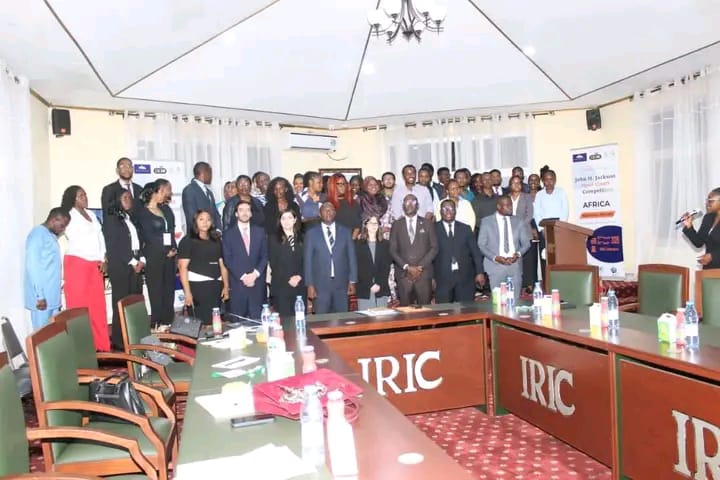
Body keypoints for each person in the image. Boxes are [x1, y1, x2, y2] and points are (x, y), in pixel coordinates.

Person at [61, 186, 110, 351]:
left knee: (98, 307)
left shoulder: (92, 215)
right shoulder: (68, 215)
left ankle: (102, 346)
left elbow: (100, 237)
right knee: (79, 308)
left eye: (85, 194)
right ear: (72, 199)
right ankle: (81, 349)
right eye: (80, 195)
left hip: (95, 264)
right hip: (77, 263)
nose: (85, 198)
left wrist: (104, 258)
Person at [103, 190, 146, 349]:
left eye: (130, 197)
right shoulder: (111, 220)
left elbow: (138, 241)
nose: (129, 200)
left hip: (135, 262)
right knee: (121, 304)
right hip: (121, 267)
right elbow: (114, 246)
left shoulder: (130, 218)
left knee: (134, 303)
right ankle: (120, 341)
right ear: (117, 201)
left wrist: (141, 259)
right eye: (125, 198)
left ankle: (135, 337)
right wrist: (132, 261)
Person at [136, 179, 177, 327]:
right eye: (166, 190)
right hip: (154, 256)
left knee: (169, 290)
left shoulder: (166, 210)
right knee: (156, 291)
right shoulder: (143, 213)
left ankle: (168, 322)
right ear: (157, 191)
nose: (168, 194)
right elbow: (149, 236)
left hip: (170, 256)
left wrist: (173, 248)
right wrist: (164, 251)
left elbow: (171, 230)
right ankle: (157, 324)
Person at [177, 210, 230, 325]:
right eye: (201, 219)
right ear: (195, 221)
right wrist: (187, 293)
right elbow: (182, 267)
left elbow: (222, 264)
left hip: (216, 285)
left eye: (208, 219)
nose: (205, 222)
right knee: (200, 323)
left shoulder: (216, 239)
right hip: (198, 287)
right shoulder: (188, 241)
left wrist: (226, 286)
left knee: (215, 322)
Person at [304, 202, 357, 314]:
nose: (328, 212)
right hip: (320, 286)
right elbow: (307, 261)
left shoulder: (346, 232)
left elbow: (352, 257)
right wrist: (310, 285)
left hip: (342, 285)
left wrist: (352, 280)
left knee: (342, 319)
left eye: (331, 209)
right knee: (321, 320)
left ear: (335, 212)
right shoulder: (311, 234)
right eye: (325, 209)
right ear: (320, 214)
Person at [477, 196, 531, 303]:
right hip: (495, 266)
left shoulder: (518, 221)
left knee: (515, 302)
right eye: (507, 205)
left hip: (514, 266)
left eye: (511, 205)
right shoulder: (487, 222)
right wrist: (495, 258)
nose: (511, 208)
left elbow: (526, 243)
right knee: (498, 303)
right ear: (499, 206)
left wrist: (518, 254)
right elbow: (481, 245)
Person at [24, 208, 70, 330]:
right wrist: (39, 296)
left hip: (52, 298)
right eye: (62, 226)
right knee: (41, 335)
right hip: (42, 300)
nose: (63, 229)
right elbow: (33, 266)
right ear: (54, 220)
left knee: (53, 335)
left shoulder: (50, 235)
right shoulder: (37, 234)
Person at [389, 194, 438, 306]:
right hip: (403, 275)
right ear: (403, 205)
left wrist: (420, 267)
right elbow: (392, 250)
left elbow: (434, 248)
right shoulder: (396, 225)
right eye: (406, 202)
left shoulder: (428, 224)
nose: (410, 204)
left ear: (418, 205)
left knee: (425, 310)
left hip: (423, 274)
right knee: (405, 311)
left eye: (413, 202)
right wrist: (407, 267)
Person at [223, 201, 268, 320]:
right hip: (238, 285)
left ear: (251, 213)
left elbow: (264, 256)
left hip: (257, 284)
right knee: (238, 323)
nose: (244, 213)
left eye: (248, 210)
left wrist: (254, 275)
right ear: (236, 213)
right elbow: (228, 259)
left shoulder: (260, 231)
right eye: (241, 210)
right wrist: (244, 277)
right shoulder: (228, 234)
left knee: (258, 322)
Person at [434, 200, 484, 303]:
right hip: (442, 278)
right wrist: (431, 278)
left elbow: (476, 253)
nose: (448, 211)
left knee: (466, 309)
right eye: (444, 208)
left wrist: (480, 272)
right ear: (440, 211)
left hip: (465, 278)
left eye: (451, 208)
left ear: (455, 211)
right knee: (444, 310)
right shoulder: (433, 229)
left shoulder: (465, 229)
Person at [268, 209, 306, 319]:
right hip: (282, 285)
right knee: (285, 321)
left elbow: (307, 261)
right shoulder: (273, 238)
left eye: (290, 218)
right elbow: (274, 263)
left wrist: (299, 276)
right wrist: (289, 278)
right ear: (279, 221)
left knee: (300, 319)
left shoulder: (303, 237)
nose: (286, 221)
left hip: (299, 284)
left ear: (295, 220)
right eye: (283, 218)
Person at [533, 169, 569, 277]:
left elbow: (565, 210)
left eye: (551, 179)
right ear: (543, 181)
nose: (549, 182)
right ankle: (546, 281)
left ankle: (560, 280)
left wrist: (559, 227)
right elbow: (536, 212)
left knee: (559, 255)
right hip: (544, 227)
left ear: (555, 180)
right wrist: (542, 229)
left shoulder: (561, 192)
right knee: (545, 256)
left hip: (558, 226)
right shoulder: (539, 194)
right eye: (546, 180)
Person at [355, 215, 392, 309]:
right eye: (371, 223)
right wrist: (370, 285)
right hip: (364, 288)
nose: (374, 225)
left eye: (376, 223)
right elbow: (358, 268)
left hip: (381, 288)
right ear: (365, 225)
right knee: (366, 317)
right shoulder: (358, 245)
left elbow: (386, 267)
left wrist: (378, 284)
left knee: (382, 317)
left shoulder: (386, 244)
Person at [508, 175, 537, 290]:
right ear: (510, 185)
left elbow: (529, 214)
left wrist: (519, 226)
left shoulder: (527, 197)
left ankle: (529, 284)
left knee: (528, 259)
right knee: (515, 259)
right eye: (514, 183)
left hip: (525, 230)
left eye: (518, 183)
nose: (516, 185)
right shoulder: (506, 198)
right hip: (511, 233)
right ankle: (517, 284)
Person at [683, 187, 720, 269]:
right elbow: (699, 242)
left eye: (710, 201)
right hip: (710, 268)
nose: (706, 203)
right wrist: (689, 226)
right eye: (707, 200)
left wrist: (713, 256)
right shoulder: (708, 218)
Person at [182, 161, 221, 230]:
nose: (211, 176)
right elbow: (191, 217)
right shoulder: (189, 190)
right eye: (210, 173)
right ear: (203, 173)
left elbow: (215, 213)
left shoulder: (209, 192)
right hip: (198, 234)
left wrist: (218, 229)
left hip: (212, 234)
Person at [327, 173, 361, 239]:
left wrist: (351, 241)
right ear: (332, 185)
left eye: (344, 183)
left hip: (351, 240)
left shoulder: (353, 203)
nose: (342, 186)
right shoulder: (327, 204)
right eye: (339, 184)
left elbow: (357, 227)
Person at [357, 176, 392, 240]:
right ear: (365, 186)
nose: (374, 187)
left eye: (375, 184)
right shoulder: (360, 200)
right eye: (370, 185)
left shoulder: (383, 199)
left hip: (383, 237)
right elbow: (356, 220)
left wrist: (384, 229)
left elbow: (389, 218)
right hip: (365, 236)